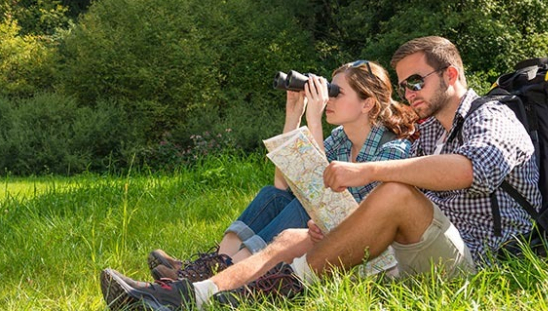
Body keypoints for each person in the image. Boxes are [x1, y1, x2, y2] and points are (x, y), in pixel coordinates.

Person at [100, 36, 541, 310]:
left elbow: (472, 169)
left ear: (452, 74)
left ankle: (284, 287)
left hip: (472, 258)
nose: (408, 93)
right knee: (294, 237)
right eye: (404, 84)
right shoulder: (428, 132)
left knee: (394, 192)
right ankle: (187, 298)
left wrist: (366, 168)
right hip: (413, 250)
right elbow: (292, 182)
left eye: (416, 82)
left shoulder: (493, 117)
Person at [148, 60, 417, 283]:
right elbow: (284, 182)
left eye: (336, 92)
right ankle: (215, 265)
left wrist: (314, 118)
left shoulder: (393, 149)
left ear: (367, 103)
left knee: (303, 207)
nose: (328, 99)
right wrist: (294, 115)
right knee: (273, 195)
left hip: (366, 255)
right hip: (325, 232)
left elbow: (324, 202)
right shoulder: (341, 138)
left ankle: (223, 276)